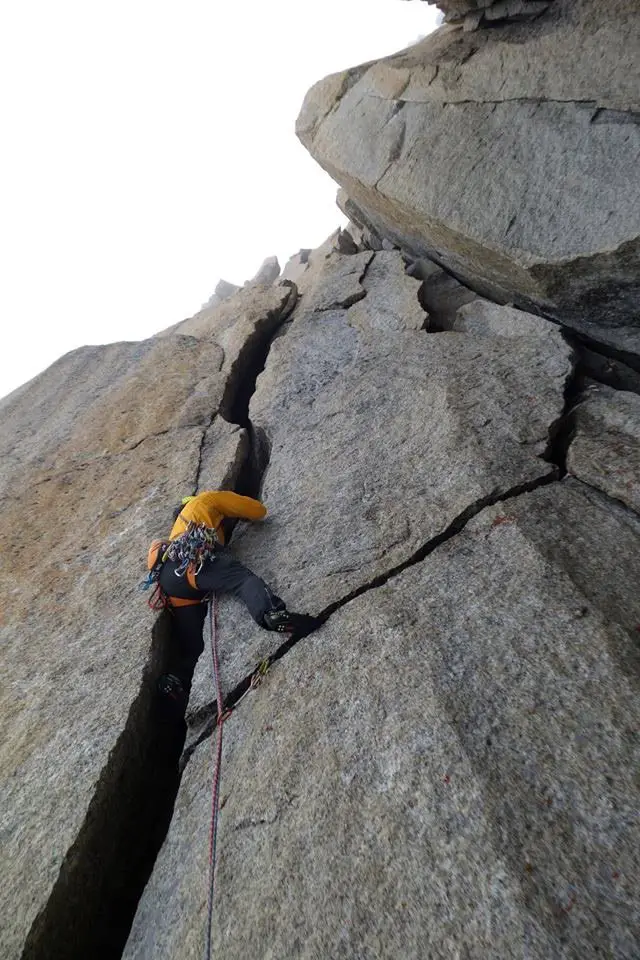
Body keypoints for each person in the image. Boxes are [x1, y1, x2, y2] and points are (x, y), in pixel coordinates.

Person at [153, 490, 321, 706]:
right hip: (195, 559)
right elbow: (257, 510)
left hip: (171, 579)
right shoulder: (207, 500)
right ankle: (271, 613)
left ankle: (176, 679)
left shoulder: (177, 530)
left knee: (193, 645)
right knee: (243, 580)